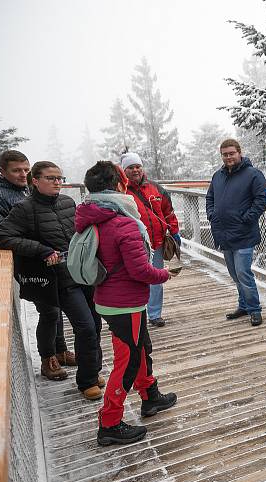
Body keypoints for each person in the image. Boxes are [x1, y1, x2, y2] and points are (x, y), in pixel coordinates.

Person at [76, 161, 177, 446]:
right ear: (120, 186)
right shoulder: (122, 222)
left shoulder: (95, 216)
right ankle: (109, 422)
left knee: (141, 346)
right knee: (128, 360)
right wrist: (163, 274)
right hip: (125, 303)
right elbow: (140, 271)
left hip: (111, 298)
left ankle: (150, 396)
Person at [0, 161, 103, 395]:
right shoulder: (25, 208)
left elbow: (79, 232)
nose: (57, 183)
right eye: (51, 178)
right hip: (58, 278)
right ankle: (87, 382)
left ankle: (92, 370)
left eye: (60, 179)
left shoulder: (67, 202)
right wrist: (41, 250)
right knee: (84, 327)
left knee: (95, 323)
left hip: (82, 272)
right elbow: (1, 236)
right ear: (35, 180)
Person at [206, 139, 266, 327]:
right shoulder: (218, 176)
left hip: (244, 234)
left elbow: (262, 199)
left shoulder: (253, 174)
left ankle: (255, 309)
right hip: (223, 233)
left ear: (240, 152)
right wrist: (211, 214)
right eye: (225, 154)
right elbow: (210, 198)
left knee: (243, 273)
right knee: (234, 274)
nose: (228, 157)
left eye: (231, 153)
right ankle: (243, 305)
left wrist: (247, 218)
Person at [121, 152, 181, 328]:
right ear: (124, 170)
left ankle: (154, 314)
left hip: (157, 242)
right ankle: (135, 312)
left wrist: (174, 231)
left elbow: (168, 211)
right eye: (131, 167)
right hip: (134, 244)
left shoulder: (155, 188)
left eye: (138, 166)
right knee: (134, 279)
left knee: (156, 278)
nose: (135, 170)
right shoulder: (121, 191)